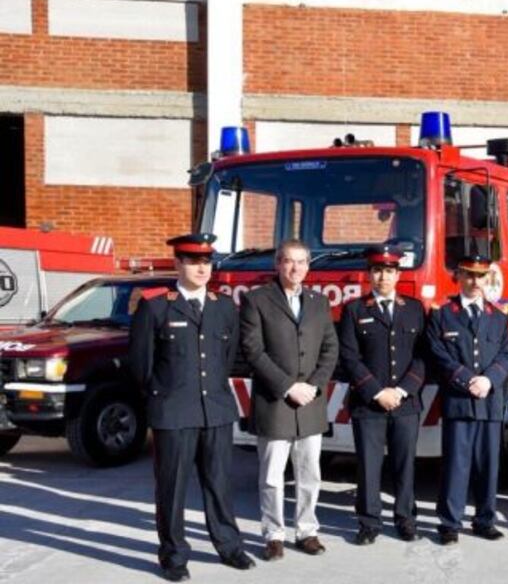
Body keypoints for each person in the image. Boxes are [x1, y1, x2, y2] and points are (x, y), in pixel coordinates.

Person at [129, 233, 255, 582]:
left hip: (216, 409)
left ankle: (229, 546)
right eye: (193, 261)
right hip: (173, 412)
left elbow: (228, 358)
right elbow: (141, 365)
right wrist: (164, 396)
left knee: (219, 484)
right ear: (178, 264)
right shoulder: (156, 306)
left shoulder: (224, 306)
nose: (202, 268)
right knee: (172, 488)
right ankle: (173, 556)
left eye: (206, 262)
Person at [239, 239, 338, 560]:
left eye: (301, 262)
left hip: (310, 401)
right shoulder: (256, 300)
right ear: (277, 264)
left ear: (308, 266)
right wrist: (287, 386)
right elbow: (253, 350)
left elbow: (330, 348)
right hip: (275, 401)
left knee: (310, 474)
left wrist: (314, 386)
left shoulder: (319, 302)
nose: (295, 268)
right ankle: (274, 535)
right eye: (289, 261)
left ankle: (307, 531)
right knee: (271, 476)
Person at [338, 245, 426, 545]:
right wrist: (376, 392)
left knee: (405, 464)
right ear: (369, 274)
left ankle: (405, 519)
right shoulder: (354, 310)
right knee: (368, 465)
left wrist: (401, 390)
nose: (383, 277)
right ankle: (368, 522)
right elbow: (349, 357)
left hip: (405, 402)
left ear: (398, 275)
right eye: (377, 271)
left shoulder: (414, 309)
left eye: (389, 271)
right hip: (368, 404)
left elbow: (423, 357)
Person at [427, 255, 508, 545]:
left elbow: (507, 354)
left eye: (481, 276)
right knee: (456, 464)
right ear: (459, 277)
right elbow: (438, 353)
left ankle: (485, 520)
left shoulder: (499, 316)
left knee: (488, 465)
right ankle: (449, 523)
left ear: (488, 278)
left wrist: (489, 380)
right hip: (459, 400)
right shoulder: (442, 314)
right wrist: (467, 380)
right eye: (469, 275)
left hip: (489, 400)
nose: (475, 282)